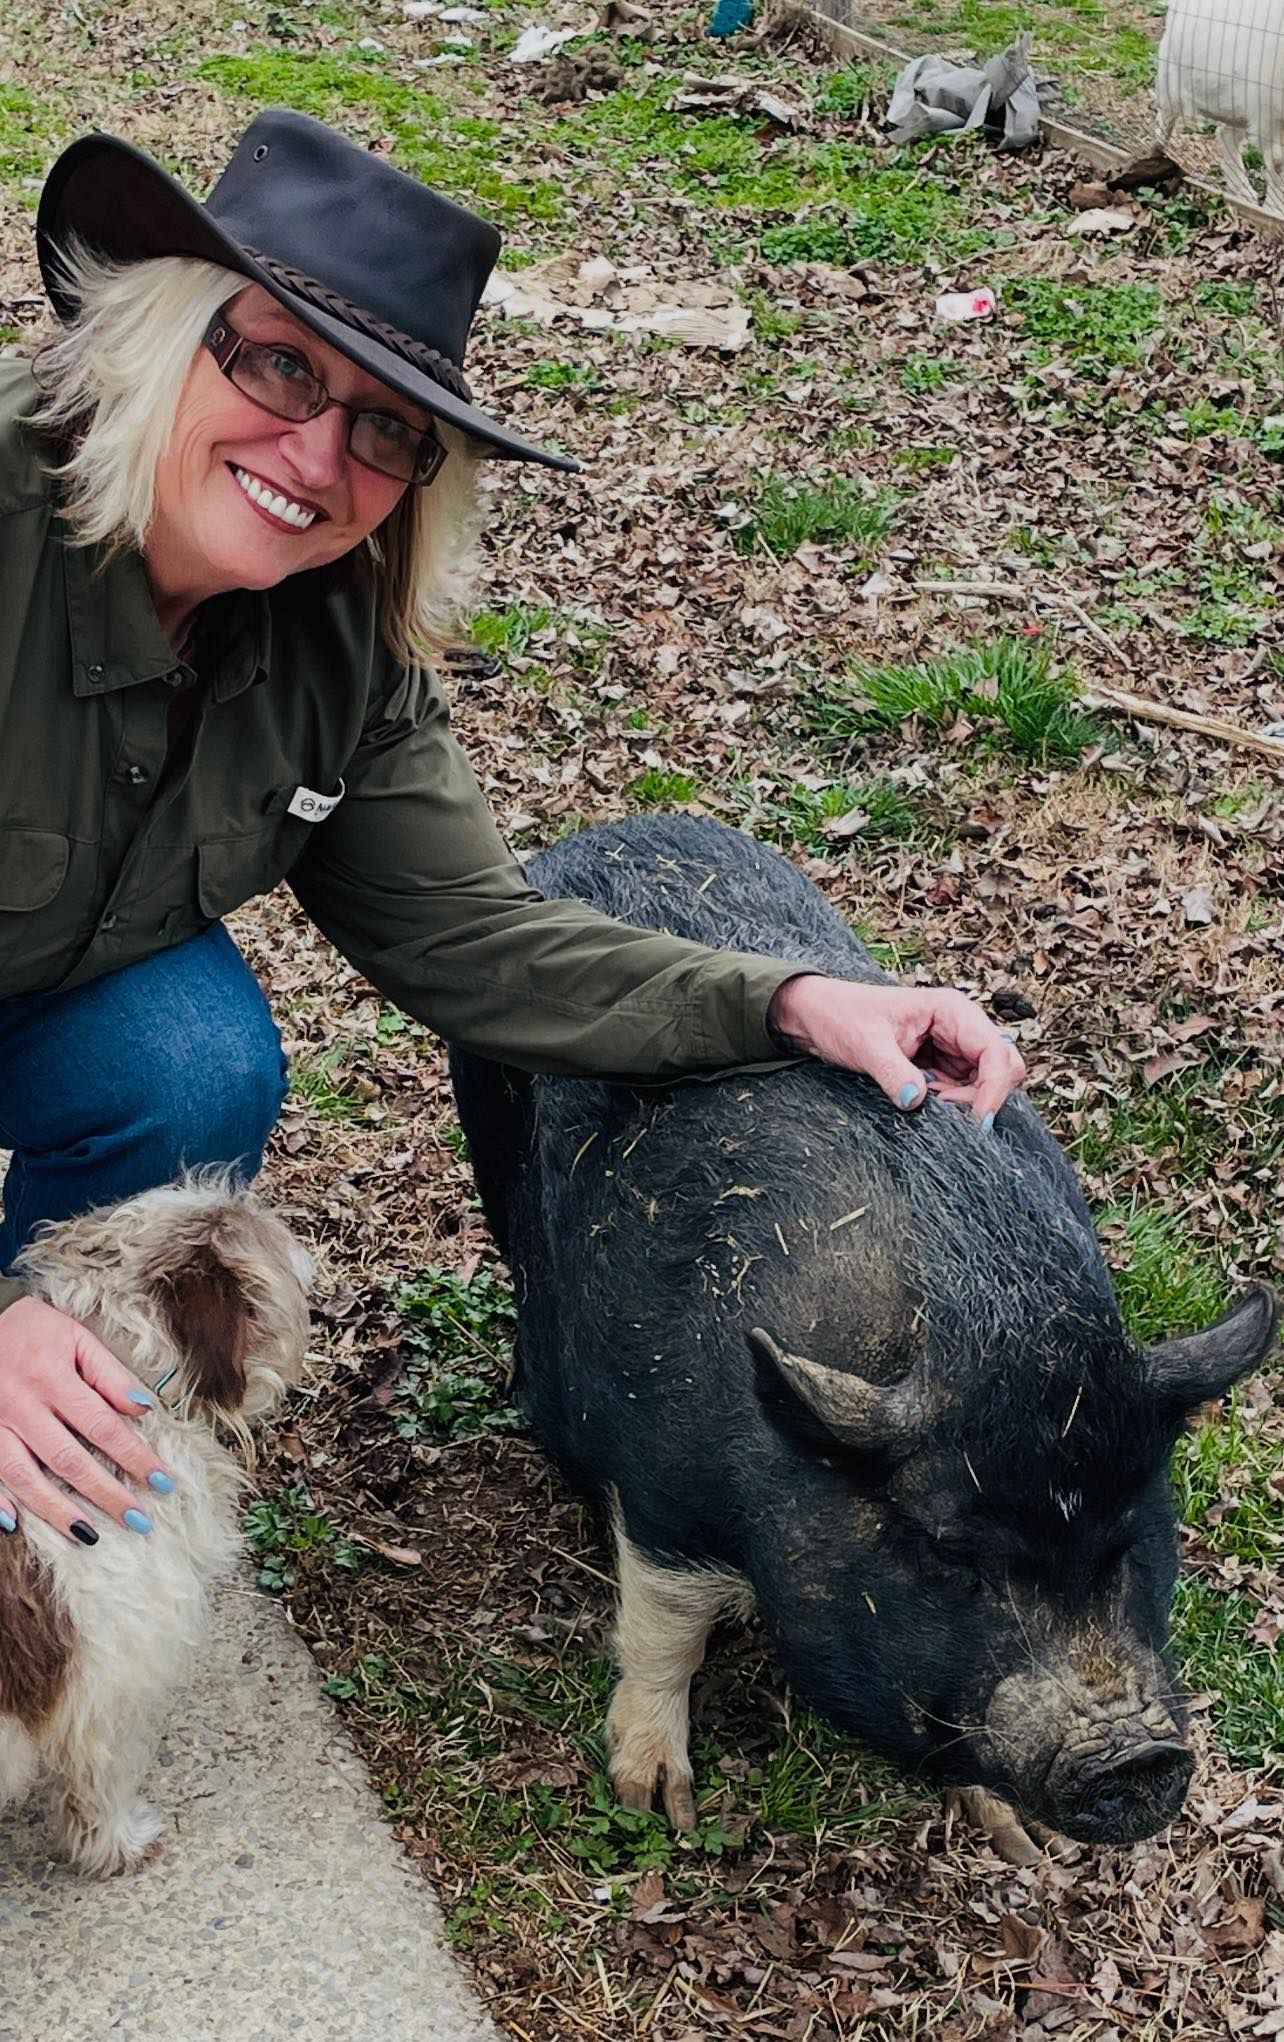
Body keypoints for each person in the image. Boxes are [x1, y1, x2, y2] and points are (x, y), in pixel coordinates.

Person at [0, 109, 1025, 1548]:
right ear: (162, 331)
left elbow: (485, 938)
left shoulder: (336, 638)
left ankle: (38, 1440)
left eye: (384, 427)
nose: (314, 450)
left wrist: (795, 999)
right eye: (279, 360)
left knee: (192, 1061)